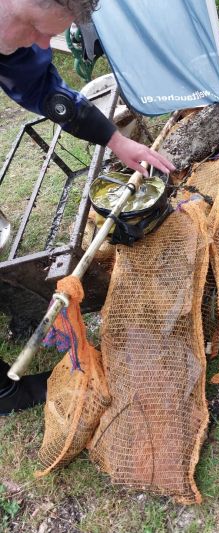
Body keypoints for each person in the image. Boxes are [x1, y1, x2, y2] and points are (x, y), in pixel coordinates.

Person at [0, 0, 175, 416]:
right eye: (35, 27)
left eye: (51, 34)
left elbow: (43, 90)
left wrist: (116, 140)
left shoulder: (17, 35)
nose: (44, 44)